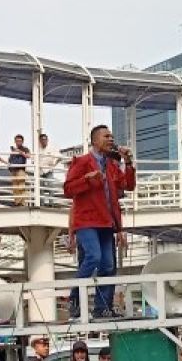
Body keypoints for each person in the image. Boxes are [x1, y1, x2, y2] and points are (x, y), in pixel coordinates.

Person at [63, 125, 135, 318]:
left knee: (108, 265)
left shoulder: (111, 165)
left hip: (106, 222)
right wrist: (87, 178)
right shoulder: (81, 161)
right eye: (106, 136)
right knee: (93, 257)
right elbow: (68, 189)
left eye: (111, 136)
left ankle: (102, 307)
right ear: (95, 141)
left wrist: (128, 163)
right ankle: (74, 297)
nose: (110, 139)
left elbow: (128, 185)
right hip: (86, 221)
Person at [9, 133, 31, 206]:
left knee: (21, 186)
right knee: (15, 187)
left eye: (20, 141)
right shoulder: (13, 150)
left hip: (21, 170)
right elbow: (11, 159)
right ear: (15, 141)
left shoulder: (25, 148)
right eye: (17, 141)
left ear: (22, 141)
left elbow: (28, 156)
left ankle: (22, 203)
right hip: (13, 170)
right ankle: (17, 202)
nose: (18, 142)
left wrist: (20, 152)